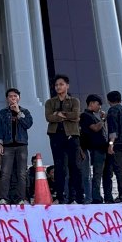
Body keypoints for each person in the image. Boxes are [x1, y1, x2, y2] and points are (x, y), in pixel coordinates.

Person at [45, 74, 82, 204]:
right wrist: (67, 116)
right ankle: (60, 197)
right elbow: (49, 117)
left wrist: (59, 114)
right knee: (59, 167)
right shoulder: (50, 102)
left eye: (61, 84)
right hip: (56, 136)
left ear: (67, 86)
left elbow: (76, 115)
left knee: (74, 166)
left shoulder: (74, 101)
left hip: (72, 135)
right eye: (56, 85)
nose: (58, 87)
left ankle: (75, 197)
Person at [0, 88, 33, 205]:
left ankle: (21, 198)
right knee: (5, 173)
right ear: (7, 99)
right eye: (10, 96)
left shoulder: (25, 111)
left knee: (21, 173)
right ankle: (4, 198)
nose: (13, 98)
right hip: (7, 146)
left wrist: (18, 112)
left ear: (19, 98)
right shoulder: (2, 113)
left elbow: (28, 124)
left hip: (21, 145)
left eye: (15, 96)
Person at [79, 94, 111, 204]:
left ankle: (101, 196)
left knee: (102, 174)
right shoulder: (85, 116)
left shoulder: (93, 116)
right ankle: (95, 197)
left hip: (101, 148)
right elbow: (96, 128)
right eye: (98, 104)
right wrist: (103, 119)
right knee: (96, 174)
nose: (99, 107)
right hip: (94, 149)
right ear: (91, 103)